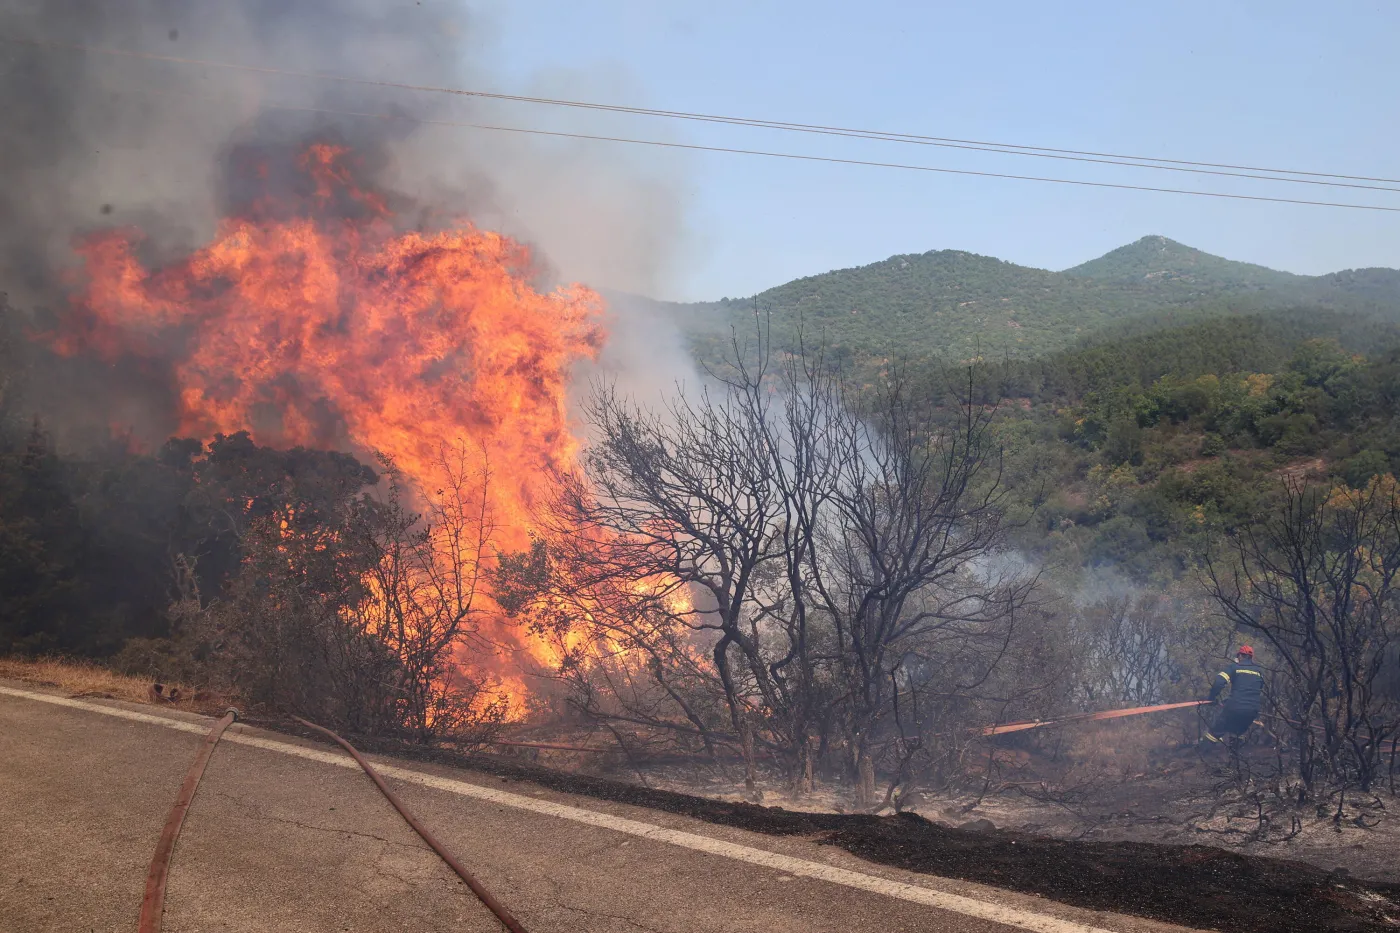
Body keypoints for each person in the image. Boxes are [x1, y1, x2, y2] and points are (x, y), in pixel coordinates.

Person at [1203, 645, 1263, 744]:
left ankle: (1200, 754)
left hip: (1234, 708)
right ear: (1251, 657)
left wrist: (1212, 699)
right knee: (1237, 734)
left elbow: (1218, 682)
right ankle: (1236, 758)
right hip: (1252, 711)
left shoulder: (1234, 667)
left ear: (1240, 656)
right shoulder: (1259, 671)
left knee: (1214, 733)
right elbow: (1251, 690)